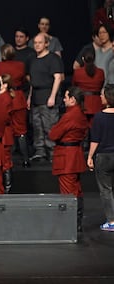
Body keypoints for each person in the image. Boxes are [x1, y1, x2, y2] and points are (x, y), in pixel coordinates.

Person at [49, 86, 88, 233]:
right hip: (75, 154)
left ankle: (71, 223)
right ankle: (76, 222)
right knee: (76, 190)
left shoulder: (70, 115)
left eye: (66, 96)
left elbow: (53, 134)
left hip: (67, 157)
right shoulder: (80, 114)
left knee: (68, 192)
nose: (64, 99)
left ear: (73, 99)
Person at [27, 33, 64, 162]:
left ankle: (53, 152)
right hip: (36, 98)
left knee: (50, 126)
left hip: (48, 95)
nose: (37, 45)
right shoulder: (33, 60)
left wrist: (52, 96)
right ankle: (40, 151)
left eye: (40, 42)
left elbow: (58, 78)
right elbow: (32, 81)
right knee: (37, 127)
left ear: (46, 44)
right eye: (35, 42)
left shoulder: (53, 58)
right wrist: (29, 97)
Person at [87, 84, 114, 232]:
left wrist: (90, 156)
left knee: (106, 190)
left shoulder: (99, 117)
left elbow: (95, 140)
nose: (100, 97)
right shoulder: (99, 115)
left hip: (104, 157)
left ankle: (111, 220)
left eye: (103, 94)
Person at [72, 48, 105, 149]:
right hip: (96, 102)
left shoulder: (78, 72)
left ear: (83, 59)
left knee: (82, 125)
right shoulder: (100, 72)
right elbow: (101, 84)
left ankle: (83, 146)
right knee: (96, 127)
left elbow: (74, 85)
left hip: (84, 102)